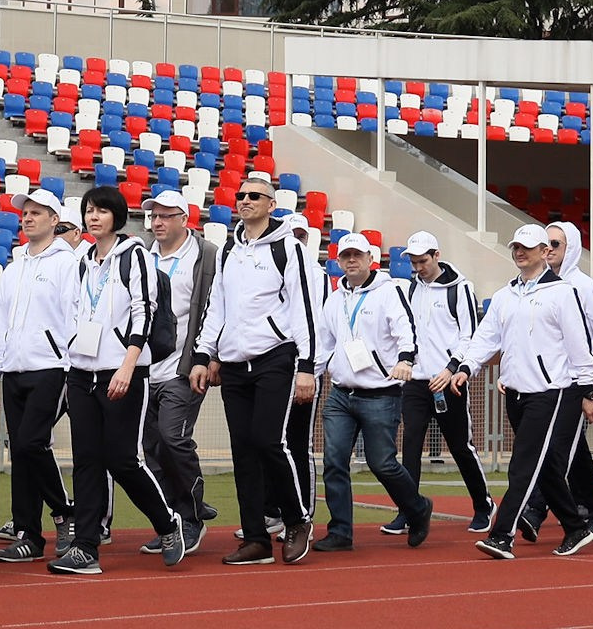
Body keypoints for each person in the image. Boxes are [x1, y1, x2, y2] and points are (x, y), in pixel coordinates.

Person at [47, 185, 194, 576]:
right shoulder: (83, 260)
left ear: (117, 216)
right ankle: (86, 548)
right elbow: (75, 312)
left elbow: (143, 311)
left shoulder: (136, 256)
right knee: (86, 461)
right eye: (89, 211)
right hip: (82, 372)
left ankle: (167, 523)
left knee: (123, 459)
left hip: (123, 369)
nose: (94, 217)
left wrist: (128, 366)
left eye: (102, 211)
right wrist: (69, 361)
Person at [441, 224, 593, 560]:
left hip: (552, 391)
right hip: (516, 393)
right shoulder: (504, 296)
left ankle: (502, 535)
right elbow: (486, 338)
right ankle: (576, 527)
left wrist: (588, 390)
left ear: (545, 252)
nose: (520, 251)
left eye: (528, 247)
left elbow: (579, 346)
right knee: (545, 468)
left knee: (524, 464)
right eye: (516, 246)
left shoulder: (563, 293)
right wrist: (466, 367)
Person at [189, 171, 321, 566]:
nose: (245, 200)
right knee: (243, 451)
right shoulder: (229, 251)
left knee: (269, 441)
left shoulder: (288, 248)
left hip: (275, 358)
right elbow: (217, 308)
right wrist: (204, 355)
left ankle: (297, 520)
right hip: (232, 364)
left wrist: (306, 366)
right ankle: (256, 539)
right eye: (241, 195)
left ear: (271, 205)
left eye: (254, 196)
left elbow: (303, 310)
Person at [313, 234, 431, 551]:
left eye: (357, 255)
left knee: (383, 464)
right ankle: (340, 532)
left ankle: (418, 508)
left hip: (380, 393)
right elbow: (324, 343)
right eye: (346, 256)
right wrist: (309, 375)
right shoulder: (335, 300)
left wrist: (406, 358)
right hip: (340, 394)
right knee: (334, 462)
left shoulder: (389, 291)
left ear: (370, 259)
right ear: (338, 262)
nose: (351, 261)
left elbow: (406, 329)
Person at [0, 187, 78, 563]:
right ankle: (28, 535)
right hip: (14, 371)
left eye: (38, 212)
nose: (28, 217)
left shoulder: (67, 263)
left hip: (53, 368)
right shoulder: (13, 266)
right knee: (20, 451)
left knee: (30, 444)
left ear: (55, 221)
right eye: (26, 212)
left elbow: (74, 316)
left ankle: (64, 510)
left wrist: (72, 366)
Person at [393, 232, 495, 533]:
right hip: (415, 381)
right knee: (410, 447)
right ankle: (409, 510)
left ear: (436, 255)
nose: (418, 267)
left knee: (460, 446)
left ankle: (483, 504)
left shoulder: (460, 288)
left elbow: (469, 335)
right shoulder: (410, 288)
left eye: (423, 261)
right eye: (413, 262)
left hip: (448, 382)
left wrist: (451, 368)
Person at [521, 222, 593, 539]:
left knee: (556, 449)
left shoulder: (585, 287)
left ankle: (535, 509)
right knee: (572, 451)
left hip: (577, 379)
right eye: (546, 244)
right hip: (546, 380)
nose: (550, 250)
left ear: (571, 246)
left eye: (556, 244)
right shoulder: (538, 285)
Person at [139, 188, 219, 548]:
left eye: (165, 215)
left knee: (174, 439)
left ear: (184, 219)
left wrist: (210, 357)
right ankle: (173, 518)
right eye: (154, 215)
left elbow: (217, 308)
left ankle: (190, 517)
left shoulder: (206, 256)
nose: (157, 221)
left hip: (184, 368)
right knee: (149, 450)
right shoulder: (141, 256)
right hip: (143, 370)